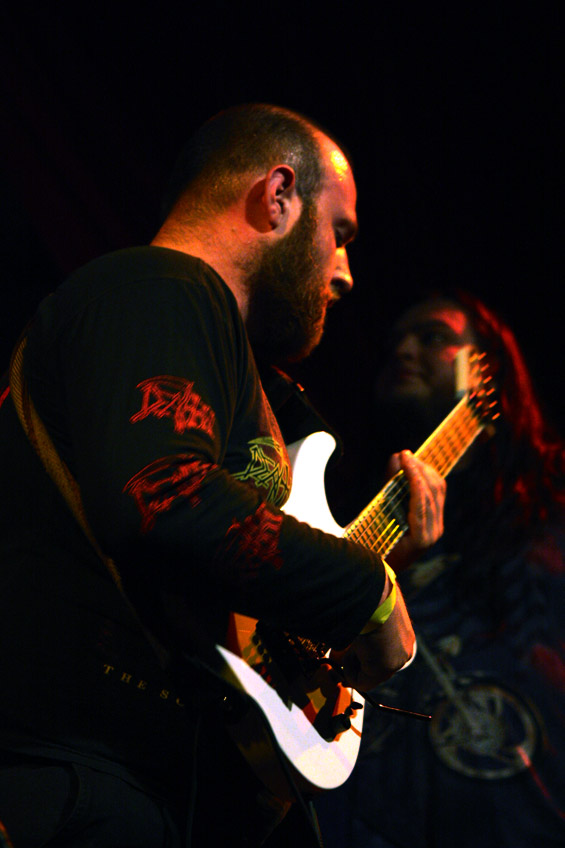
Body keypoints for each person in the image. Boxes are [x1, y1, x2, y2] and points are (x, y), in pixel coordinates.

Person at [0, 105, 446, 847]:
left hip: (159, 787)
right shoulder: (157, 287)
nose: (345, 272)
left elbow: (216, 565)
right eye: (339, 233)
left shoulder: (231, 361)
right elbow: (164, 498)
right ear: (278, 195)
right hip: (84, 784)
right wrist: (366, 590)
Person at [316, 291, 565, 847]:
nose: (403, 350)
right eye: (394, 345)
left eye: (432, 338)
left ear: (484, 370)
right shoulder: (343, 508)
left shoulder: (550, 504)